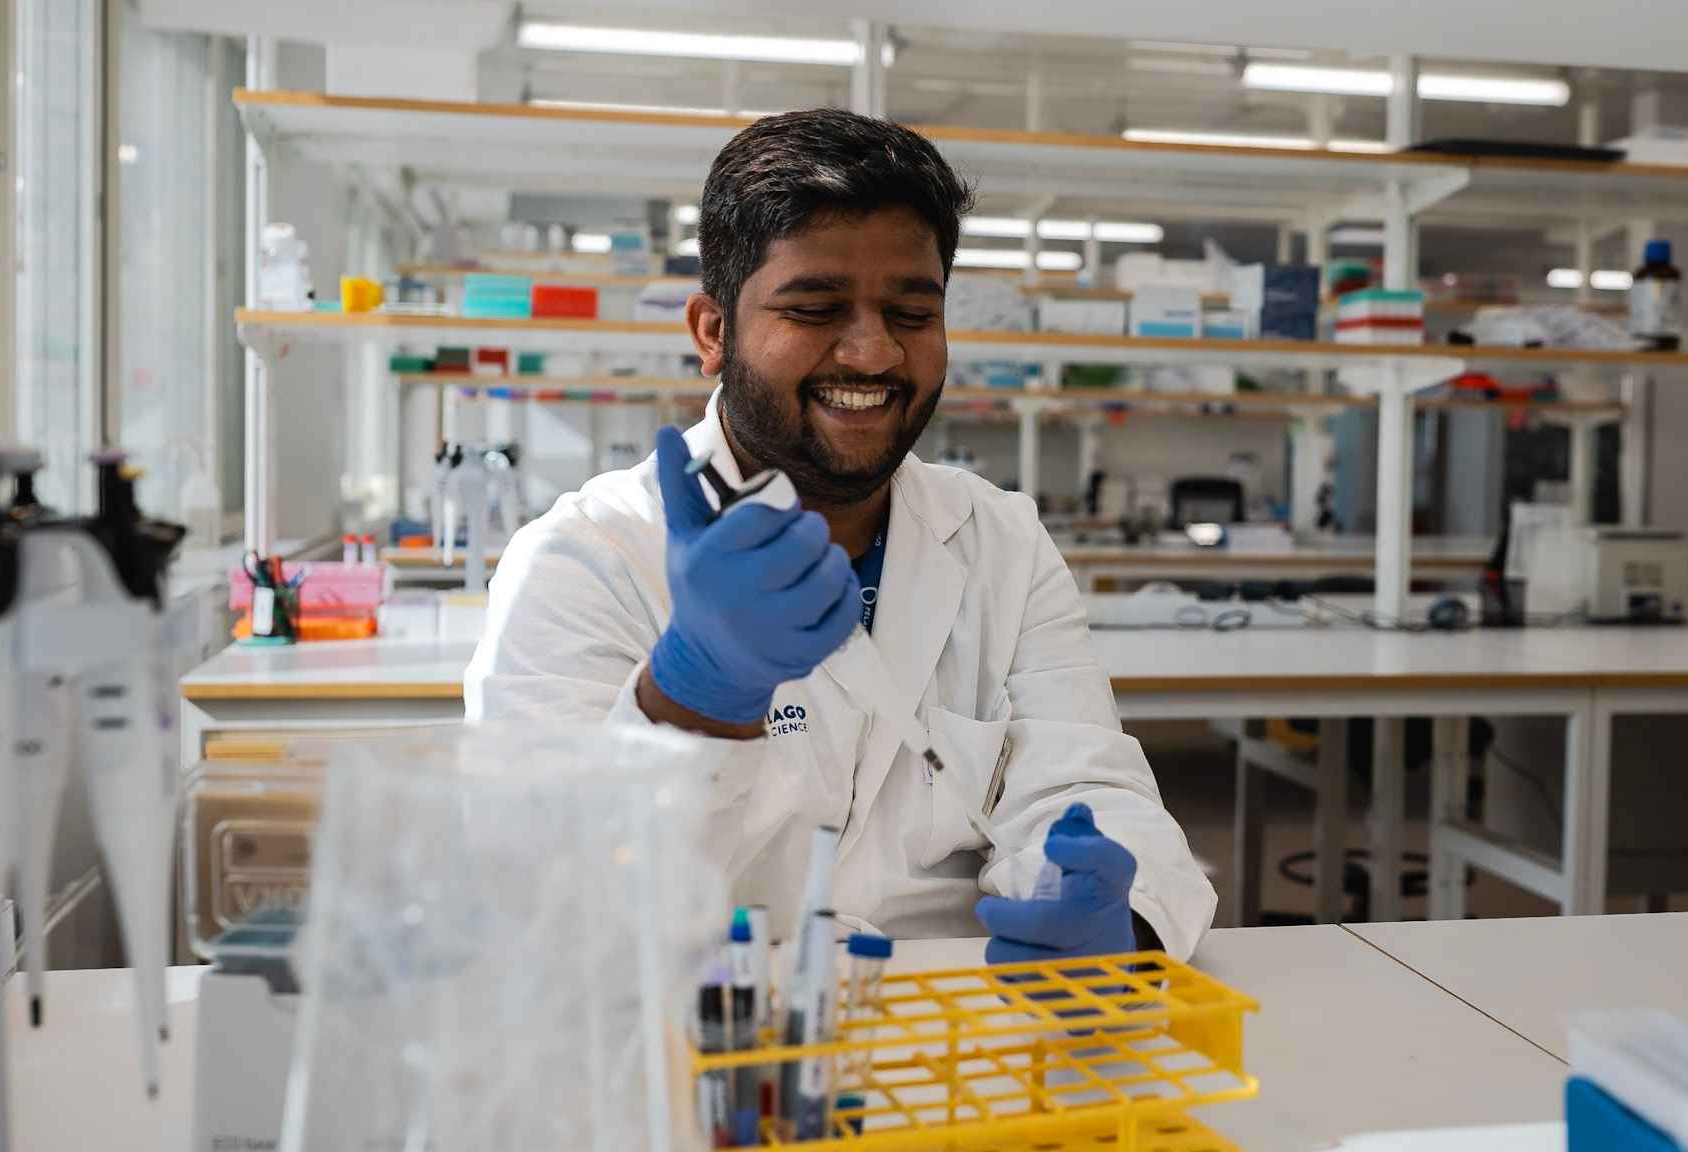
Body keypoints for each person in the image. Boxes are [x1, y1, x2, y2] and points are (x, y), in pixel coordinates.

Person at [467, 109, 1215, 961]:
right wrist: (694, 699)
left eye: (912, 313)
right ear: (713, 331)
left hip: (962, 1007)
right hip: (703, 1014)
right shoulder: (586, 557)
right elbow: (539, 888)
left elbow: (1085, 782)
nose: (873, 354)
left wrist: (1117, 911)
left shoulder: (999, 539)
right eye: (816, 308)